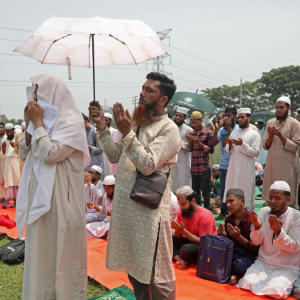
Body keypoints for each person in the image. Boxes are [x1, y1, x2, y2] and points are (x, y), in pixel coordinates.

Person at [89, 72, 181, 300]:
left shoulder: (168, 129)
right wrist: (102, 128)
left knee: (158, 274)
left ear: (163, 100)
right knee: (135, 269)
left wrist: (128, 132)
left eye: (150, 90)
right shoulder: (136, 123)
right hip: (128, 208)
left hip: (150, 212)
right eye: (143, 88)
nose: (142, 93)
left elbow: (148, 164)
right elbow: (114, 156)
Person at [16, 74, 90, 300]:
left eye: (38, 95)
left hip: (62, 201)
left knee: (64, 255)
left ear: (52, 94)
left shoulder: (71, 122)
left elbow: (49, 153)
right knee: (42, 252)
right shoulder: (45, 122)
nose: (35, 100)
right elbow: (25, 151)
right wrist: (30, 124)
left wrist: (37, 124)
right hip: (41, 198)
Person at [237, 181, 300, 299]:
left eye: (277, 198)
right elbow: (256, 242)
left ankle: (290, 284)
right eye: (270, 197)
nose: (272, 201)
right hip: (263, 263)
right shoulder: (264, 211)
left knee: (275, 291)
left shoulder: (297, 217)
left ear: (287, 199)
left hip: (286, 267)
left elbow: (295, 247)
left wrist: (278, 232)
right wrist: (257, 227)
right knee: (247, 282)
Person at [262, 96, 300, 209]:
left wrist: (279, 135)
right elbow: (265, 145)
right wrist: (272, 135)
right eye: (277, 107)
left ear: (289, 108)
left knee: (287, 198)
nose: (278, 110)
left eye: (282, 107)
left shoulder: (295, 124)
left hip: (288, 167)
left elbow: (295, 147)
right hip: (272, 165)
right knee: (271, 199)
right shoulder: (270, 122)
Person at [218, 188, 259, 285]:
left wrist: (239, 237)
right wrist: (224, 237)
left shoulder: (252, 220)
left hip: (249, 256)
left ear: (242, 201)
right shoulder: (228, 219)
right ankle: (234, 275)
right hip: (233, 253)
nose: (228, 205)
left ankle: (234, 274)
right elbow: (231, 245)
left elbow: (257, 249)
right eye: (227, 202)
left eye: (231, 201)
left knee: (240, 266)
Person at [223, 108, 261, 212]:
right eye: (238, 117)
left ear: (249, 118)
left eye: (242, 117)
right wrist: (230, 145)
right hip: (234, 170)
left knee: (246, 196)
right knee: (233, 193)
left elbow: (256, 152)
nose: (240, 119)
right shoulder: (234, 132)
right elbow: (227, 150)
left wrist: (242, 145)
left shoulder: (254, 134)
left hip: (246, 171)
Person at [172, 186, 217, 270]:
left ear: (193, 200)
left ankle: (182, 259)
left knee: (186, 250)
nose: (181, 207)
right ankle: (181, 260)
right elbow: (179, 237)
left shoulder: (205, 216)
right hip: (189, 241)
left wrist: (183, 230)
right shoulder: (181, 212)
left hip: (206, 246)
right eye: (179, 204)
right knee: (167, 239)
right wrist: (177, 230)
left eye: (183, 204)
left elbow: (204, 242)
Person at [212, 107, 239, 220]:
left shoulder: (238, 129)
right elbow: (213, 142)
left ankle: (234, 213)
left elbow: (236, 142)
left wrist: (228, 128)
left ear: (235, 116)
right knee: (223, 190)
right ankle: (223, 212)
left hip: (234, 164)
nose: (228, 117)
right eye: (226, 115)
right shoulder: (222, 130)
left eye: (230, 115)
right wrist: (216, 129)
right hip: (223, 164)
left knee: (233, 189)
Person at [187, 111, 214, 209]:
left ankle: (206, 212)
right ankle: (198, 211)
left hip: (204, 167)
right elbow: (190, 149)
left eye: (195, 122)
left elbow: (211, 150)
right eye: (192, 123)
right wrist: (190, 141)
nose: (193, 125)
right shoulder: (192, 133)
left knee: (206, 192)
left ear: (201, 121)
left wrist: (199, 143)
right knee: (196, 192)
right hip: (194, 167)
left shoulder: (208, 133)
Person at [171, 106, 192, 192]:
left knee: (184, 183)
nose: (178, 118)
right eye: (177, 115)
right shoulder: (171, 128)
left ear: (184, 118)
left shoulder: (189, 130)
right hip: (173, 160)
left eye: (180, 116)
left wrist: (180, 143)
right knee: (173, 183)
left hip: (184, 161)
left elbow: (191, 147)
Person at [2, 123, 21, 208]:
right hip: (7, 162)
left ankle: (17, 200)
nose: (8, 133)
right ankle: (7, 199)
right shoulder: (4, 140)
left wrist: (15, 146)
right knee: (8, 180)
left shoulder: (18, 139)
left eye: (10, 131)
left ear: (13, 130)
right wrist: (3, 148)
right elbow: (4, 153)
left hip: (16, 161)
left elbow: (20, 152)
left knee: (17, 180)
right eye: (7, 132)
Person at [102, 112, 117, 176]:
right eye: (103, 120)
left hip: (111, 154)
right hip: (102, 153)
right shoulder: (99, 131)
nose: (105, 122)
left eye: (106, 120)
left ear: (110, 121)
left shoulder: (113, 131)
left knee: (110, 170)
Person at [0, 122, 6, 202]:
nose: (0, 129)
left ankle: (4, 197)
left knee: (4, 179)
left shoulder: (6, 138)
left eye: (1, 127)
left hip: (4, 160)